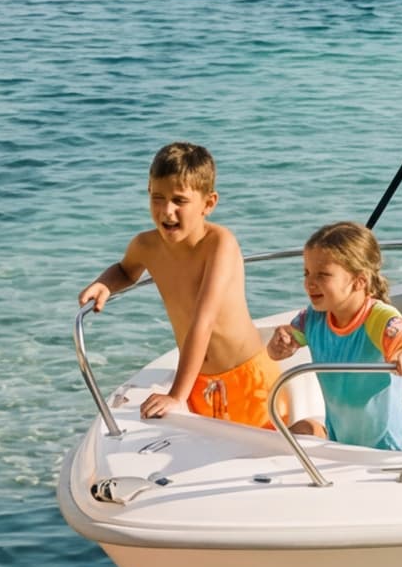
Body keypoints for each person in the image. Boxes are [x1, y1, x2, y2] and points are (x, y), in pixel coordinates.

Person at [78, 142, 278, 428]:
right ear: (148, 192)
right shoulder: (146, 245)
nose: (166, 211)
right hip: (198, 381)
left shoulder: (219, 244)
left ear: (208, 204)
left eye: (179, 201)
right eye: (157, 198)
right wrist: (105, 284)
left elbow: (203, 321)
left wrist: (176, 395)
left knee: (265, 459)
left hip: (248, 377)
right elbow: (125, 270)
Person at [270, 221, 402, 450]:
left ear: (359, 281)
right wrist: (281, 342)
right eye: (307, 273)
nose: (309, 282)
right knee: (299, 430)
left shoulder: (378, 317)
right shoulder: (313, 317)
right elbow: (284, 342)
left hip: (387, 449)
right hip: (341, 444)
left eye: (322, 274)